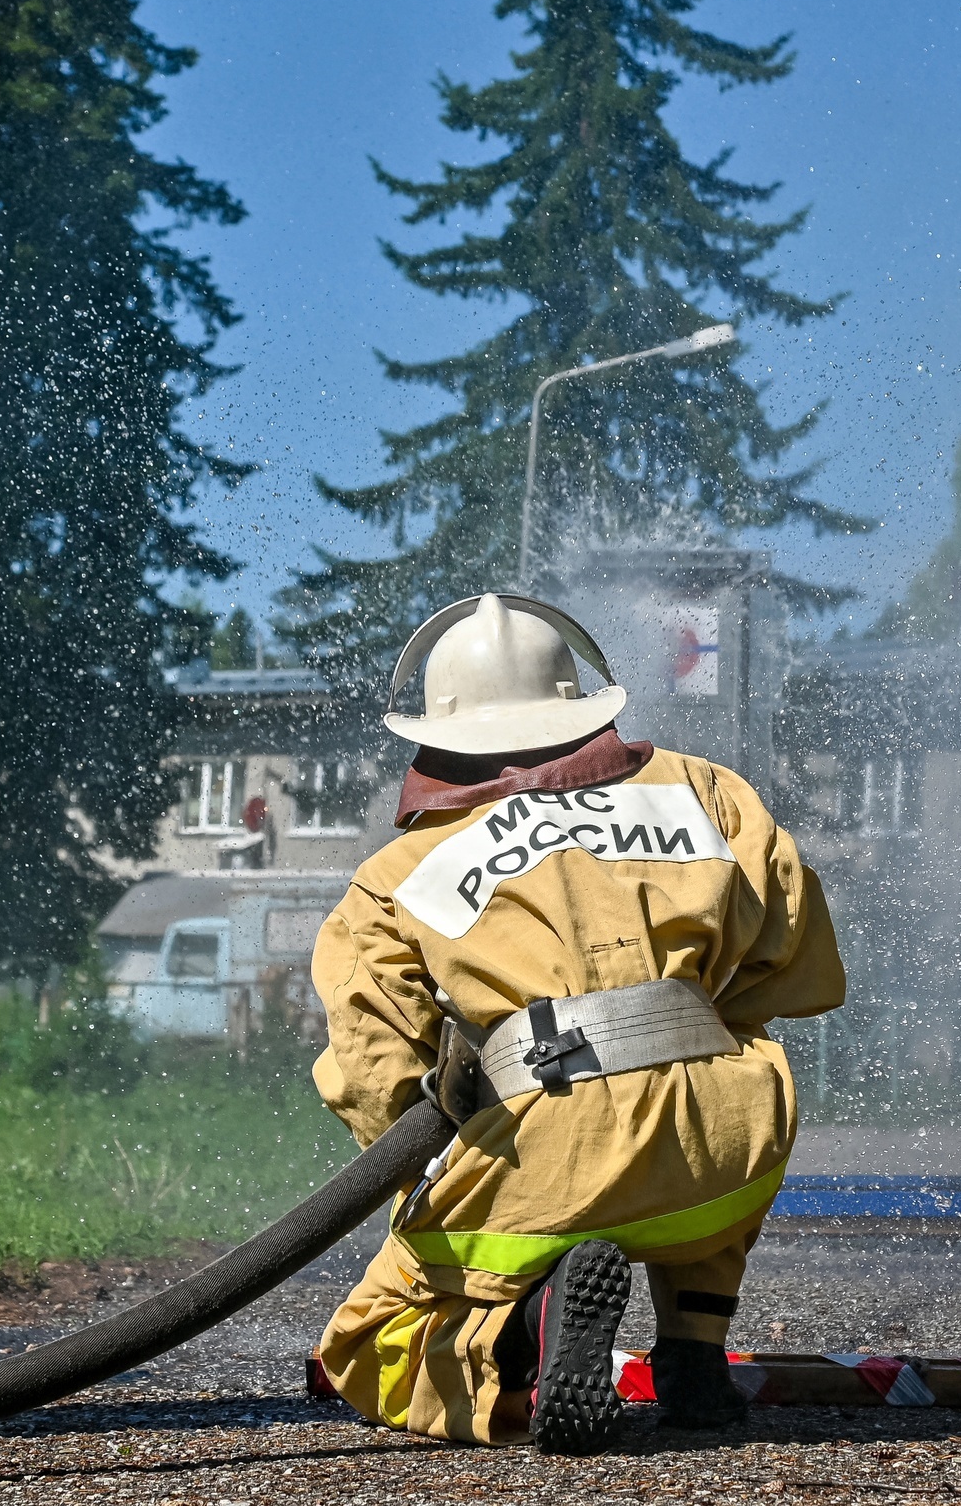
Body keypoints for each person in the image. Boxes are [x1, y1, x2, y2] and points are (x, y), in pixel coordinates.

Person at [311, 593, 843, 1453]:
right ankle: (695, 1359)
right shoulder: (706, 789)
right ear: (579, 700)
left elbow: (374, 1074)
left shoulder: (394, 873)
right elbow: (797, 957)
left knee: (368, 1344)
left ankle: (518, 1333)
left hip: (548, 1153)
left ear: (438, 734)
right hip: (725, 1158)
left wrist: (452, 1137)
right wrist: (697, 1032)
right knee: (734, 1072)